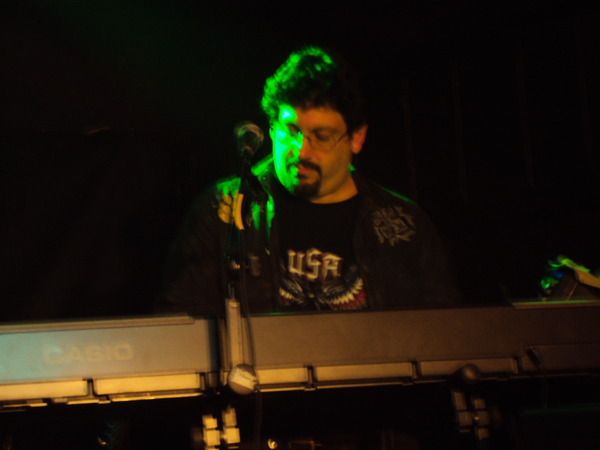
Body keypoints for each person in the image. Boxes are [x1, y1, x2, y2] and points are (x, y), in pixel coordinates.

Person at [158, 45, 459, 318]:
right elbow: (179, 326)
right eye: (291, 131)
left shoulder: (405, 227)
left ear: (357, 138)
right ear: (271, 127)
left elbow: (443, 335)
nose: (302, 150)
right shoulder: (223, 209)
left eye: (322, 136)